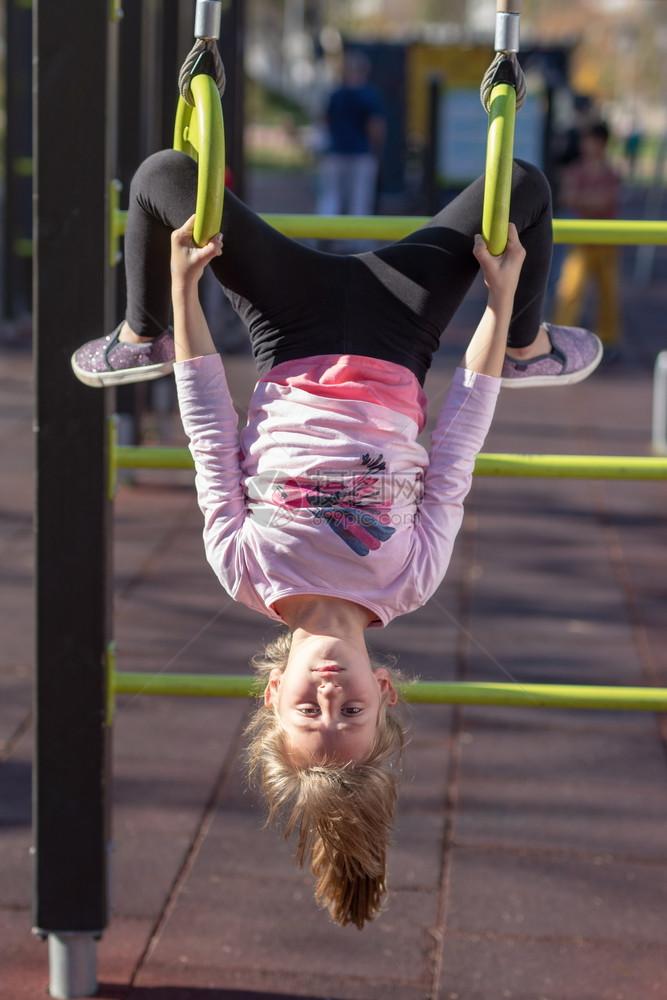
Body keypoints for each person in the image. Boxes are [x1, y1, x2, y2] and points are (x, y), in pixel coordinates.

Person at [71, 150, 603, 928]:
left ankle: (138, 328)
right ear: (382, 691)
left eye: (305, 713)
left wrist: (182, 297)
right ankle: (528, 347)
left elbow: (210, 434)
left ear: (270, 695)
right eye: (349, 711)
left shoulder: (245, 571)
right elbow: (455, 449)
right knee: (519, 187)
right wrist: (500, 306)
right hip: (401, 324)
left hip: (289, 327)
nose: (328, 699)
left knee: (160, 181)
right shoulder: (409, 580)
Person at [553, 122, 623, 354]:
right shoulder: (578, 170)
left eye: (590, 140)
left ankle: (608, 339)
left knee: (608, 293)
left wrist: (583, 199)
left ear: (601, 143)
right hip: (581, 242)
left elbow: (603, 200)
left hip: (606, 243)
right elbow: (568, 197)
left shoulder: (610, 172)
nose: (586, 145)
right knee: (570, 290)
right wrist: (591, 199)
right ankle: (561, 338)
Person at [316, 51, 386, 219]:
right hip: (361, 154)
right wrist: (377, 151)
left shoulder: (336, 94)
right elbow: (375, 127)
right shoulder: (369, 95)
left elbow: (325, 121)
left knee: (331, 197)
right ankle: (358, 242)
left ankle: (323, 233)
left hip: (335, 152)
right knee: (360, 200)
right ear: (366, 70)